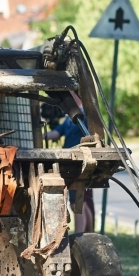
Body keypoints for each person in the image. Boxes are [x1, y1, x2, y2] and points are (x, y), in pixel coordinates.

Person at [45, 96, 95, 233]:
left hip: (79, 162)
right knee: (80, 203)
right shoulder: (69, 118)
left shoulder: (84, 116)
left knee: (76, 203)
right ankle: (88, 233)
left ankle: (80, 236)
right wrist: (40, 133)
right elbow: (56, 133)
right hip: (70, 161)